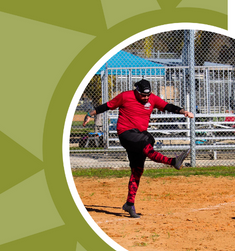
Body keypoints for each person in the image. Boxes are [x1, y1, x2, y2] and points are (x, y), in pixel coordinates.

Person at [83, 79, 194, 218]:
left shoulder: (152, 99)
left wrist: (184, 111)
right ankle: (173, 162)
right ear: (136, 91)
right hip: (126, 133)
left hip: (140, 134)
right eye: (142, 95)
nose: (146, 98)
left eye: (148, 95)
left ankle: (129, 204)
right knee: (146, 141)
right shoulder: (125, 96)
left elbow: (167, 106)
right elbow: (106, 106)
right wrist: (89, 114)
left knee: (138, 169)